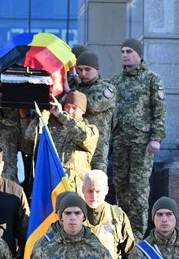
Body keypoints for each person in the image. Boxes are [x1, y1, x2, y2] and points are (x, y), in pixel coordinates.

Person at [111, 38, 167, 239]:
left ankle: (137, 235)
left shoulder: (152, 79)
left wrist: (156, 138)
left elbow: (159, 111)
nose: (124, 55)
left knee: (138, 190)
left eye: (129, 51)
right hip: (120, 142)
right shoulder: (116, 81)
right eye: (122, 51)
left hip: (142, 144)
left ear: (139, 54)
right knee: (121, 187)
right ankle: (123, 232)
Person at [23, 92, 99, 193]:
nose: (69, 111)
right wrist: (45, 112)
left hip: (73, 189)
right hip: (50, 185)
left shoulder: (91, 130)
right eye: (67, 107)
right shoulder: (53, 127)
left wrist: (61, 115)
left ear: (83, 111)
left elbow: (82, 135)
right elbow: (31, 135)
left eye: (74, 108)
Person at [70, 51, 116, 173]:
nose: (83, 73)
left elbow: (89, 105)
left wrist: (68, 92)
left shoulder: (106, 88)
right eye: (79, 70)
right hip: (75, 148)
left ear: (97, 69)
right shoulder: (76, 85)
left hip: (97, 150)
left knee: (95, 187)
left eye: (87, 69)